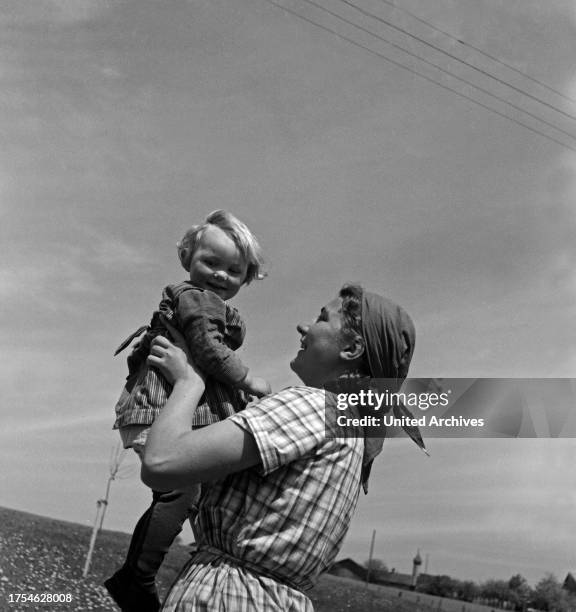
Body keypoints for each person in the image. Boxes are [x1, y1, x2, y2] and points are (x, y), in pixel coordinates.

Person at [140, 283, 417, 611]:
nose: (304, 326)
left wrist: (189, 383)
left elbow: (161, 462)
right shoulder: (351, 430)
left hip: (227, 599)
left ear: (352, 348)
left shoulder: (315, 406)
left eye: (322, 319)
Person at [105, 210, 270, 612]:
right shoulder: (197, 300)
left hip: (168, 409)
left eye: (233, 269)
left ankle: (147, 575)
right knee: (181, 490)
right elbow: (210, 352)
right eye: (210, 262)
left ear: (247, 276)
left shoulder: (209, 303)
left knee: (189, 494)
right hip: (158, 409)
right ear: (187, 259)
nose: (219, 274)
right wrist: (249, 380)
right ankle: (137, 576)